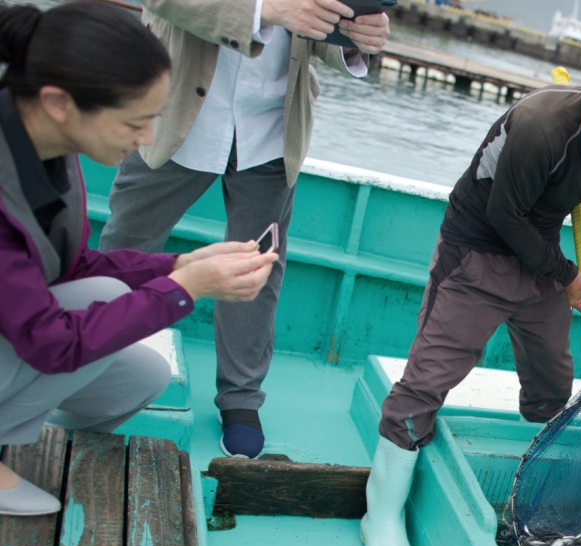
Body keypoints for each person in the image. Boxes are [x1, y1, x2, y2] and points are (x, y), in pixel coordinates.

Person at [361, 59, 581, 546]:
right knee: (430, 377)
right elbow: (504, 216)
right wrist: (568, 277)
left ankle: (530, 491)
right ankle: (379, 515)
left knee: (552, 379)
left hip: (542, 251)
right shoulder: (541, 127)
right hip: (479, 244)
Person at [0, 1, 277, 516]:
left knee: (141, 376)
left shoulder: (45, 144)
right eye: (137, 120)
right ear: (60, 102)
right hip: (32, 339)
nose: (148, 138)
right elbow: (49, 343)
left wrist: (177, 265)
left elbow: (73, 265)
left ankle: (20, 436)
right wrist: (187, 289)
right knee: (103, 304)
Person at [99, 0, 390, 459]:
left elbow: (316, 29)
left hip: (273, 122)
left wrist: (356, 40)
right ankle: (90, 359)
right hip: (172, 108)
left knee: (259, 265)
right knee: (126, 243)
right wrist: (264, 12)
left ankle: (240, 399)